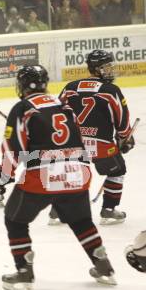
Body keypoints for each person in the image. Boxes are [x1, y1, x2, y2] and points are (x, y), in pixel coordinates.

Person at [0, 64, 116, 290]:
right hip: (78, 172)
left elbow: (13, 150)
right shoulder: (64, 105)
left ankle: (24, 273)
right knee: (81, 221)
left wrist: (2, 177)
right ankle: (104, 266)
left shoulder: (23, 108)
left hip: (43, 175)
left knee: (15, 220)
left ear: (22, 85)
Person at [55, 49, 134, 225]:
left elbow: (57, 113)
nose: (110, 70)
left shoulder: (70, 87)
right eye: (106, 67)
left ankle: (57, 210)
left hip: (72, 144)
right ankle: (108, 209)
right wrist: (125, 137)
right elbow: (122, 118)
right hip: (101, 145)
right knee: (118, 169)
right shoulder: (110, 90)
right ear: (96, 69)